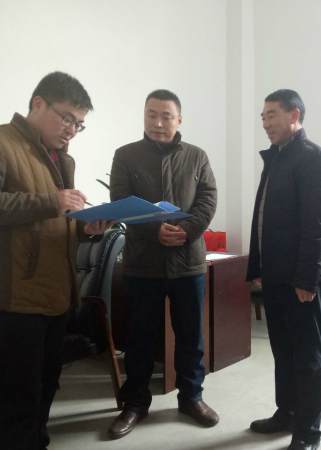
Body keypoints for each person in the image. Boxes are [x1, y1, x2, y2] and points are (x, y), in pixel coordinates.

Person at [0, 71, 112, 450]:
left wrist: (87, 229)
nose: (72, 130)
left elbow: (54, 223)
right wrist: (52, 202)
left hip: (56, 292)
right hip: (15, 293)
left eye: (79, 124)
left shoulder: (60, 159)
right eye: (67, 118)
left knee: (46, 384)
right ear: (38, 104)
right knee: (19, 396)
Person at [108, 89, 219, 439]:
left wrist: (187, 230)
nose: (158, 122)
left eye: (166, 116)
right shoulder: (126, 155)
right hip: (143, 265)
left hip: (188, 264)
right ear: (143, 116)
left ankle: (192, 398)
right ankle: (135, 403)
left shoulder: (197, 156)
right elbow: (120, 200)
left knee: (191, 336)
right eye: (151, 115)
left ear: (179, 119)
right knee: (139, 338)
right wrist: (155, 230)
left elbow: (208, 197)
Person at [246, 89, 321, 450]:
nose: (265, 123)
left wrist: (308, 278)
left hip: (300, 278)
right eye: (263, 117)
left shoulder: (314, 158)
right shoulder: (277, 158)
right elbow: (264, 218)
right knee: (283, 350)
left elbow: (317, 225)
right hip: (275, 275)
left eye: (272, 115)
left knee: (307, 356)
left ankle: (308, 432)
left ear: (294, 115)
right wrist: (258, 265)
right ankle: (287, 413)